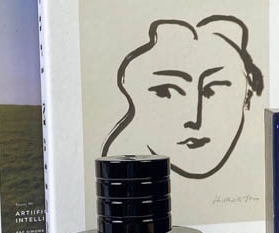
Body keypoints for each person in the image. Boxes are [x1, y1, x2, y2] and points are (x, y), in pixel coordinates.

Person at [101, 14, 264, 180]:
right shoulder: (117, 176)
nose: (195, 120)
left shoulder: (254, 172)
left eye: (210, 91)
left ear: (248, 94)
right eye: (166, 92)